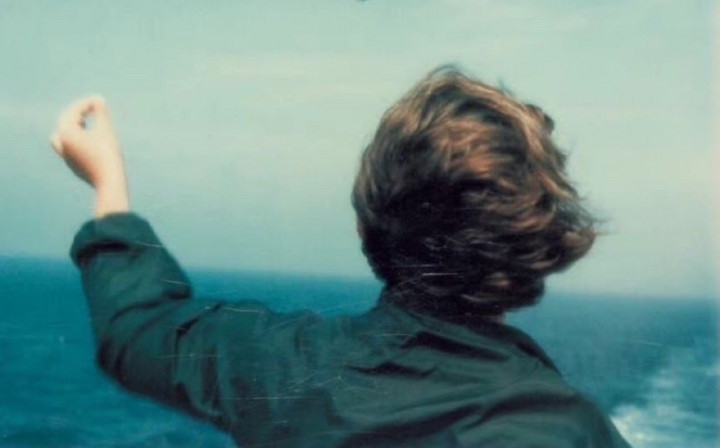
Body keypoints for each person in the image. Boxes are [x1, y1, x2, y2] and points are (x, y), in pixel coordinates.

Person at [53, 68, 632, 447]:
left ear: (365, 224)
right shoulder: (570, 430)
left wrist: (109, 184)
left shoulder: (286, 368)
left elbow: (136, 332)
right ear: (536, 241)